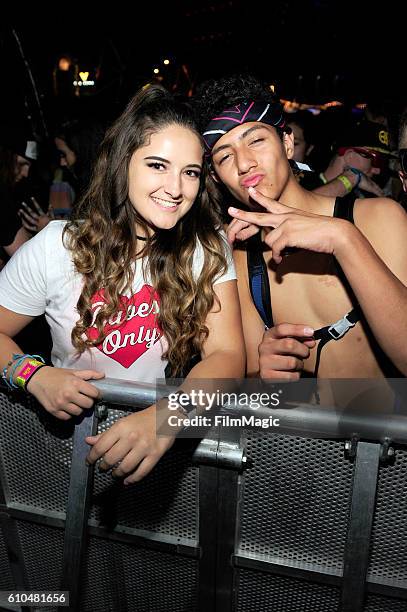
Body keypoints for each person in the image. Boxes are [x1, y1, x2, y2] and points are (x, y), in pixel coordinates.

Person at [0, 84, 245, 483]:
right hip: (62, 450)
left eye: (190, 172)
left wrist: (165, 419)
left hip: (154, 449)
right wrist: (33, 375)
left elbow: (227, 356)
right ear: (122, 163)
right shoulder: (57, 246)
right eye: (157, 165)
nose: (176, 189)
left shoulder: (205, 248)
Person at [193, 74, 407, 383]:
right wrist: (259, 372)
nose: (244, 163)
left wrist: (343, 238)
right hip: (297, 431)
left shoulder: (379, 219)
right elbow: (250, 385)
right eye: (225, 156)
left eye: (256, 140)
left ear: (288, 143)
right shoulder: (239, 256)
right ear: (215, 178)